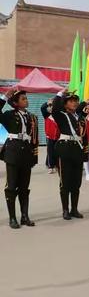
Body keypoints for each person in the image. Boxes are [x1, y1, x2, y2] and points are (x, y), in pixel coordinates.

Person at [0, 89, 39, 229]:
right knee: (11, 187)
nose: (26, 100)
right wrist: (5, 97)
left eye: (26, 98)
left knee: (24, 186)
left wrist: (34, 156)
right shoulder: (9, 115)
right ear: (15, 103)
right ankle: (12, 218)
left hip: (26, 152)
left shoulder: (32, 117)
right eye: (23, 99)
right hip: (13, 151)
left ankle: (24, 216)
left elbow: (34, 138)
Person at [52, 89, 87, 220]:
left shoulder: (80, 118)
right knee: (65, 182)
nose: (74, 103)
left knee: (76, 182)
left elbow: (84, 137)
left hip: (77, 151)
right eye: (71, 101)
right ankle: (65, 210)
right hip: (65, 149)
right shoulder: (62, 115)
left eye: (75, 101)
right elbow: (55, 108)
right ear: (65, 104)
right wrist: (60, 94)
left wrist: (85, 153)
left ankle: (74, 209)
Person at [41, 98, 59, 174]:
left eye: (53, 106)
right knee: (50, 151)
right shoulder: (46, 115)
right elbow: (42, 108)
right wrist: (47, 103)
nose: (51, 108)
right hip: (50, 137)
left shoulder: (58, 116)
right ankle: (50, 166)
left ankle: (55, 165)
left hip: (58, 137)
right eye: (50, 107)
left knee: (56, 152)